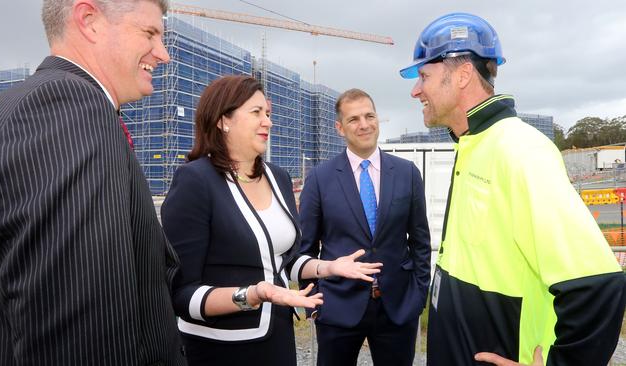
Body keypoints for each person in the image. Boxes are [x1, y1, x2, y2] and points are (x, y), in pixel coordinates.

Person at [399, 12, 626, 366]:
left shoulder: (519, 149)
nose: (415, 90)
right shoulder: (473, 143)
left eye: (424, 76)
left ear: (462, 74)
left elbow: (597, 286)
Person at [0, 0, 186, 365]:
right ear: (89, 21)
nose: (163, 54)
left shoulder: (24, 106)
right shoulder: (70, 108)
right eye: (150, 33)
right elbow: (83, 336)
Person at [160, 75, 382, 366]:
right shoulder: (195, 181)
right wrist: (252, 294)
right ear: (223, 120)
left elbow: (284, 261)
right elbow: (181, 294)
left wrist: (328, 267)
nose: (268, 122)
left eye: (268, 113)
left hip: (277, 340)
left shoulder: (278, 178)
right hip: (220, 350)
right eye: (256, 113)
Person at [298, 88, 431, 366]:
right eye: (354, 119)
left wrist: (418, 296)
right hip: (337, 307)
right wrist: (314, 305)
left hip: (398, 307)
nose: (364, 124)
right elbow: (305, 248)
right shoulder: (320, 179)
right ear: (339, 128)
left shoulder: (407, 173)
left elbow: (420, 241)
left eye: (369, 116)